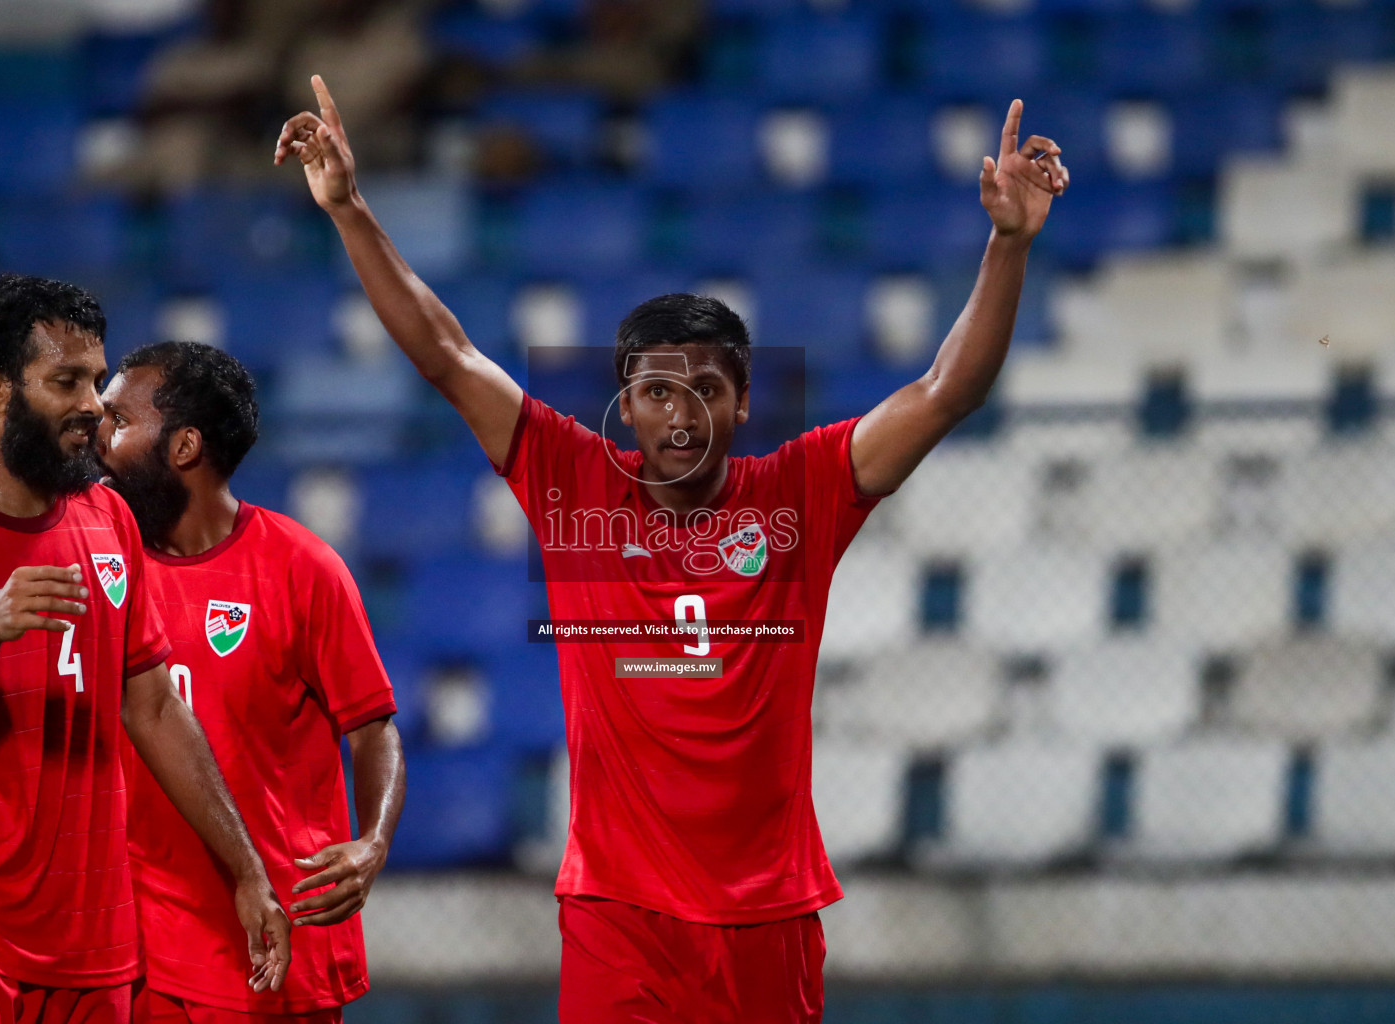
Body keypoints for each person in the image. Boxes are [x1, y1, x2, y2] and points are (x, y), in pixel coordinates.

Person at [277, 76, 1068, 1023]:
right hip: (621, 915)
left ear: (742, 401)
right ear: (626, 401)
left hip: (769, 915)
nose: (680, 410)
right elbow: (445, 354)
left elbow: (947, 392)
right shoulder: (569, 479)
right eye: (656, 390)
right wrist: (351, 209)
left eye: (706, 387)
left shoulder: (802, 492)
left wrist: (1008, 245)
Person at [0, 274, 290, 1023]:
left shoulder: (108, 516)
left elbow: (153, 706)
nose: (92, 404)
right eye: (65, 381)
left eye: (95, 379)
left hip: (96, 943)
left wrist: (246, 870)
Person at [96, 341, 406, 1024]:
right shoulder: (99, 565)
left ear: (183, 447)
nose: (96, 433)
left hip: (266, 951)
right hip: (132, 949)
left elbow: (373, 730)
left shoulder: (303, 569)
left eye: (118, 421)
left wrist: (373, 841)